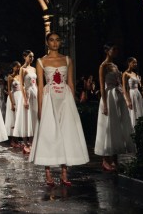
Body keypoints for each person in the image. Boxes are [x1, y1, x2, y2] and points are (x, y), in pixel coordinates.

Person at [29, 32, 89, 186]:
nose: (55, 43)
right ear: (47, 43)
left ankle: (64, 173)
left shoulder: (67, 60)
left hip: (65, 98)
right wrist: (40, 108)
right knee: (49, 132)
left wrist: (73, 102)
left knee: (66, 133)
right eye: (51, 40)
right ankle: (48, 173)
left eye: (57, 40)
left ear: (60, 42)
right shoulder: (41, 61)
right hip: (50, 99)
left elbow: (70, 83)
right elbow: (41, 87)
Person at [94, 43, 136, 172]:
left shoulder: (115, 66)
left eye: (117, 49)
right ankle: (105, 159)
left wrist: (124, 97)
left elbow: (120, 83)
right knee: (108, 126)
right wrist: (105, 104)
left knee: (117, 126)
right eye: (114, 49)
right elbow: (102, 86)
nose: (116, 51)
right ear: (107, 51)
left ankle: (115, 157)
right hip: (108, 96)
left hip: (117, 96)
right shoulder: (103, 66)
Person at [13, 50, 37, 154]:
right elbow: (22, 85)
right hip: (26, 93)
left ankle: (32, 143)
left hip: (34, 93)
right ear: (24, 57)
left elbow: (35, 83)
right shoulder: (22, 69)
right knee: (25, 118)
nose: (31, 58)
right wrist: (25, 99)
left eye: (32, 56)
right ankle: (26, 143)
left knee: (33, 117)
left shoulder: (34, 69)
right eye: (29, 56)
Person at [122, 57, 143, 126]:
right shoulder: (125, 74)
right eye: (134, 62)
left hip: (137, 94)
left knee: (138, 111)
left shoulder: (135, 73)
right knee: (132, 111)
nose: (135, 64)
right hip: (131, 94)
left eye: (136, 63)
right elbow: (124, 87)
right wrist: (127, 100)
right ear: (129, 63)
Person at [4, 61, 22, 148]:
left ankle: (17, 139)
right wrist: (12, 103)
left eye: (19, 67)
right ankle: (12, 140)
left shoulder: (21, 76)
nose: (18, 68)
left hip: (20, 97)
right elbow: (9, 90)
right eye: (16, 67)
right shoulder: (10, 77)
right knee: (12, 118)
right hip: (13, 97)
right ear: (13, 67)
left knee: (18, 118)